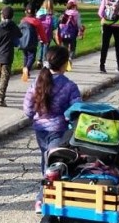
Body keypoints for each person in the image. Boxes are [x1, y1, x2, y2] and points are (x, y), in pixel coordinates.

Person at [23, 45, 81, 213]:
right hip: (59, 129)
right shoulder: (69, 86)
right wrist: (68, 119)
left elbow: (28, 107)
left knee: (47, 160)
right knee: (55, 164)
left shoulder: (38, 81)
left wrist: (35, 117)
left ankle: (49, 196)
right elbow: (76, 109)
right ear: (64, 64)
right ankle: (44, 199)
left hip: (40, 129)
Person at [0, 6, 22, 107]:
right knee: (5, 77)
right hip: (7, 55)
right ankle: (1, 97)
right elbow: (19, 35)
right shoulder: (13, 26)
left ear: (2, 15)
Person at [19, 4, 49, 82]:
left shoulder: (22, 20)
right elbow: (42, 33)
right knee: (32, 57)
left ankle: (26, 72)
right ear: (35, 12)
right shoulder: (37, 22)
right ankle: (27, 69)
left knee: (26, 56)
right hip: (32, 42)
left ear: (25, 12)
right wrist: (45, 40)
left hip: (23, 43)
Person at [58, 0, 85, 65]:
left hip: (64, 33)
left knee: (65, 47)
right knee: (72, 48)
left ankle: (64, 61)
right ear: (74, 6)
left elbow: (61, 24)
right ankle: (69, 59)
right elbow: (79, 24)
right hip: (72, 33)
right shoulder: (76, 13)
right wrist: (81, 29)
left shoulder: (65, 13)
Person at [35, 0, 58, 67]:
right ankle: (44, 60)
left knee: (40, 47)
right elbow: (54, 25)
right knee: (46, 47)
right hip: (48, 34)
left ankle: (39, 60)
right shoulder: (52, 14)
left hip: (40, 33)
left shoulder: (40, 12)